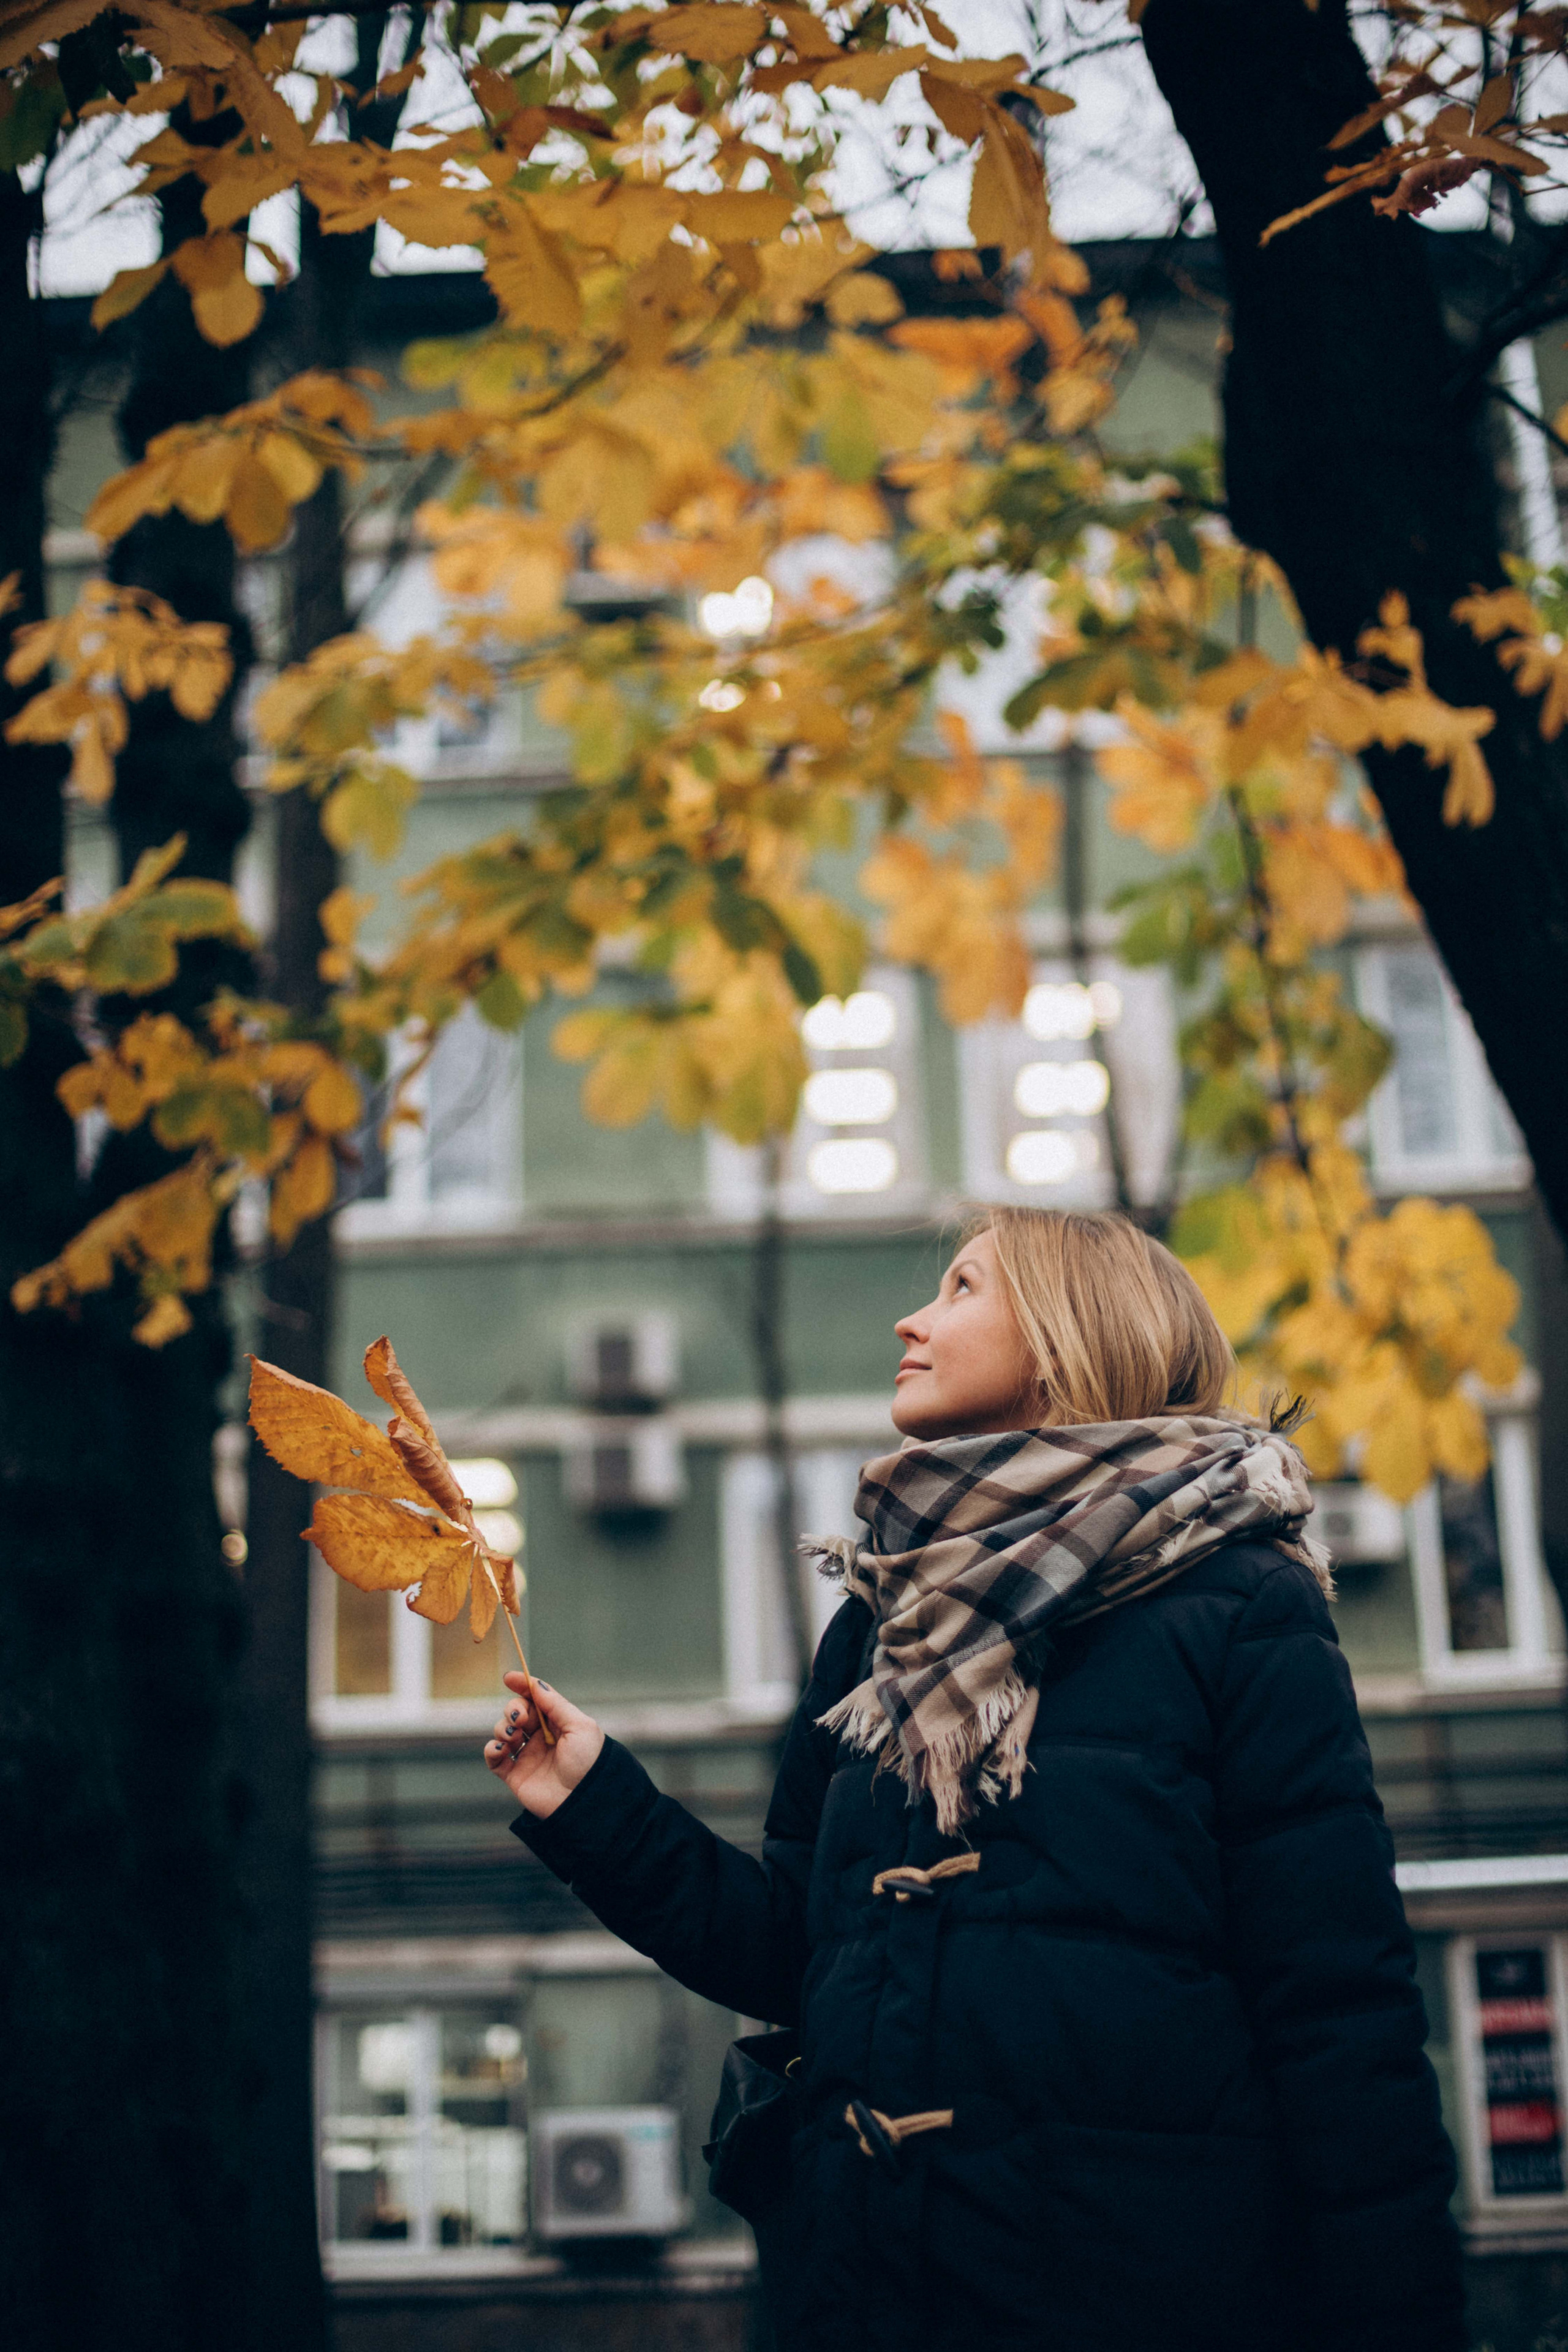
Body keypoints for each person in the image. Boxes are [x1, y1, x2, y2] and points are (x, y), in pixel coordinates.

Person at [485, 1207, 1465, 2352]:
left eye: (961, 1289)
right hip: (871, 2298)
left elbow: (1338, 2012)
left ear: (1066, 1335)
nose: (912, 1320)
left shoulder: (1240, 1603)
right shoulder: (884, 1624)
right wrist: (595, 1801)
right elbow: (800, 1955)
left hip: (1143, 2303)